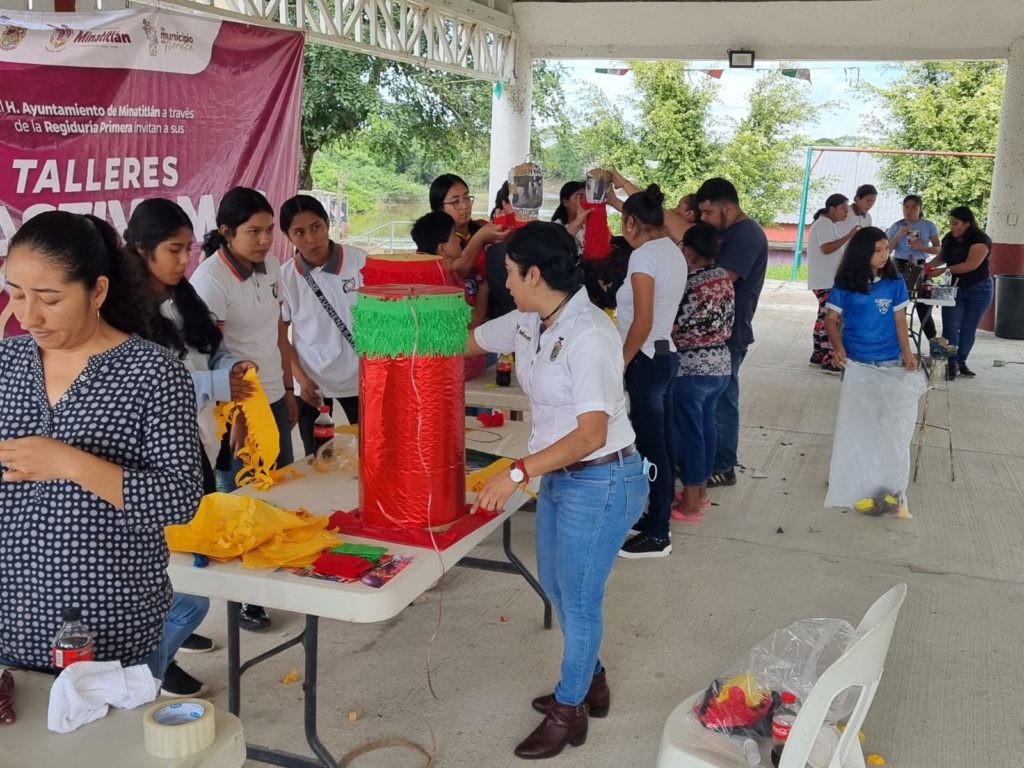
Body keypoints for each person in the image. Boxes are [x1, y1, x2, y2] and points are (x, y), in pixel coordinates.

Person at [468, 222, 647, 760]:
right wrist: (395, 325)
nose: (504, 282)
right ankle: (592, 681)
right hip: (562, 475)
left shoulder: (590, 335)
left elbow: (590, 435)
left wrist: (516, 472)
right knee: (556, 586)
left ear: (534, 275)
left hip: (603, 478)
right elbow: (466, 340)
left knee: (581, 598)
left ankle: (569, 712)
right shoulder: (531, 319)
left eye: (508, 272)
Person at [0, 211, 202, 678]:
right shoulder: (6, 364)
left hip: (112, 630)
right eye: (16, 295)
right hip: (10, 625)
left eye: (49, 299)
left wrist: (69, 462)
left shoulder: (153, 374)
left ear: (97, 291)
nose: (29, 316)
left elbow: (180, 499)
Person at [125, 197, 259, 695]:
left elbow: (211, 348)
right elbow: (149, 387)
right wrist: (217, 385)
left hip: (198, 440)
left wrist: (230, 368)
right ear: (142, 250)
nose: (185, 260)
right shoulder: (123, 312)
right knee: (180, 576)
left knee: (189, 561)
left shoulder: (184, 296)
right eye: (174, 250)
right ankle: (153, 663)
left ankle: (172, 635)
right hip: (156, 453)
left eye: (188, 249)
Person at [191, 186, 295, 633]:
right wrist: (234, 414)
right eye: (254, 231)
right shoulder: (210, 281)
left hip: (273, 397)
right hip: (239, 408)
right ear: (226, 232)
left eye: (269, 230)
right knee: (245, 502)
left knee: (280, 491)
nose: (265, 239)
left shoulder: (269, 265)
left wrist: (288, 387)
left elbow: (277, 331)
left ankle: (277, 579)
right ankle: (246, 599)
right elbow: (213, 354)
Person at [615, 185, 688, 559]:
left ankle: (659, 532)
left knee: (650, 446)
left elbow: (641, 321)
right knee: (663, 442)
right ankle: (655, 517)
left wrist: (620, 362)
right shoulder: (672, 251)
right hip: (664, 354)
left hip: (645, 358)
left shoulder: (643, 257)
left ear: (631, 222)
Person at [695, 178, 769, 488]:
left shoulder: (747, 234)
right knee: (709, 400)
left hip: (731, 333)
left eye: (708, 213)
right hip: (715, 332)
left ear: (727, 208)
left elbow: (721, 279)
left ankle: (724, 466)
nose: (703, 219)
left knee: (724, 400)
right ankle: (705, 461)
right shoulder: (727, 231)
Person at [279, 195, 365, 454]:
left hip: (361, 378)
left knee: (371, 452)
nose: (311, 239)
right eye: (299, 232)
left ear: (327, 223)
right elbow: (280, 335)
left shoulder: (360, 262)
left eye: (316, 227)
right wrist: (301, 380)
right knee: (317, 458)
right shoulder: (285, 277)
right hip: (312, 385)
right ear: (287, 236)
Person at [670, 223, 735, 522]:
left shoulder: (690, 283)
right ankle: (701, 494)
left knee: (689, 435)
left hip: (692, 367)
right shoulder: (723, 277)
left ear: (689, 250)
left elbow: (674, 324)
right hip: (721, 363)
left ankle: (690, 504)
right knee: (706, 430)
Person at [824, 226, 918, 373]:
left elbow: (900, 319)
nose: (884, 255)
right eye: (877, 250)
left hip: (889, 357)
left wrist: (907, 352)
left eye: (886, 248)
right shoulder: (845, 282)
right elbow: (830, 319)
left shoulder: (895, 281)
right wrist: (838, 347)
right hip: (854, 357)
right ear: (861, 252)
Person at [411, 211, 489, 380]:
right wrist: (484, 289)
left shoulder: (444, 272)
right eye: (454, 235)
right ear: (443, 248)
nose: (459, 240)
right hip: (454, 369)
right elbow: (472, 321)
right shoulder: (439, 285)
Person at [924, 206, 993, 380]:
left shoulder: (980, 240)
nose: (952, 227)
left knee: (969, 327)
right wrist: (927, 268)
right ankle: (951, 362)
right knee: (950, 326)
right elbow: (940, 258)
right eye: (950, 223)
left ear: (967, 223)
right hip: (954, 289)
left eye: (956, 223)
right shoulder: (949, 238)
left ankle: (961, 361)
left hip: (979, 288)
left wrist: (943, 270)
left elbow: (971, 265)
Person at [807, 193, 861, 372]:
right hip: (825, 280)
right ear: (832, 209)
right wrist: (849, 235)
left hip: (826, 279)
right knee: (831, 319)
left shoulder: (829, 225)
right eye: (843, 209)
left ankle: (817, 354)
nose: (846, 213)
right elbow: (826, 248)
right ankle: (829, 359)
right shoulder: (823, 224)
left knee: (823, 317)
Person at [429, 173, 508, 280]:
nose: (465, 205)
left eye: (466, 198)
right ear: (439, 208)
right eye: (455, 201)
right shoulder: (431, 240)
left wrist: (503, 227)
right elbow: (452, 277)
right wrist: (479, 239)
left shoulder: (483, 226)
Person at [886, 194, 941, 341]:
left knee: (924, 307)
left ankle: (933, 343)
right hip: (899, 265)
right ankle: (897, 343)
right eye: (906, 207)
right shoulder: (897, 225)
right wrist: (898, 234)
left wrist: (921, 247)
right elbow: (886, 251)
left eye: (914, 207)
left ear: (920, 209)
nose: (909, 210)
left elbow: (938, 249)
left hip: (920, 266)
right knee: (899, 306)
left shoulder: (928, 225)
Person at [607, 168, 695, 246]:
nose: (674, 209)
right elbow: (641, 213)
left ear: (689, 214)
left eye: (679, 206)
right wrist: (614, 201)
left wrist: (623, 183)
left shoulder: (690, 233)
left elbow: (646, 207)